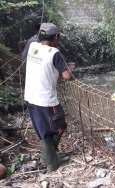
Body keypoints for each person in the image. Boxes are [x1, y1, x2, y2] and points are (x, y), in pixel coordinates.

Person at [24, 23, 72, 172]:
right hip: (46, 99)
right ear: (55, 37)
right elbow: (67, 76)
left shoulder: (33, 47)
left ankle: (48, 157)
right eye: (59, 37)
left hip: (30, 96)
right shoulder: (54, 52)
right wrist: (70, 70)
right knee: (60, 126)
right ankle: (52, 162)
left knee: (43, 129)